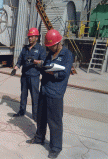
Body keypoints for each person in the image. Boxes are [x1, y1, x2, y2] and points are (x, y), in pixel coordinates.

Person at [26, 29, 73, 159]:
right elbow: (46, 67)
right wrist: (40, 67)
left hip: (55, 93)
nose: (50, 48)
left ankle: (55, 147)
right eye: (48, 46)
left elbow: (63, 75)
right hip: (44, 90)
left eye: (52, 46)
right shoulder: (49, 54)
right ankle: (39, 138)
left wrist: (51, 71)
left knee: (55, 122)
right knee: (41, 118)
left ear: (58, 43)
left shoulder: (67, 55)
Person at [12, 28, 46, 121]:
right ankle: (22, 111)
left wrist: (34, 61)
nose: (30, 38)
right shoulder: (25, 48)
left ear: (36, 37)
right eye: (29, 37)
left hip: (34, 76)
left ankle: (35, 116)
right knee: (23, 95)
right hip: (24, 76)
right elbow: (20, 60)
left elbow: (43, 62)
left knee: (35, 97)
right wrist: (15, 69)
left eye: (32, 36)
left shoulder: (40, 49)